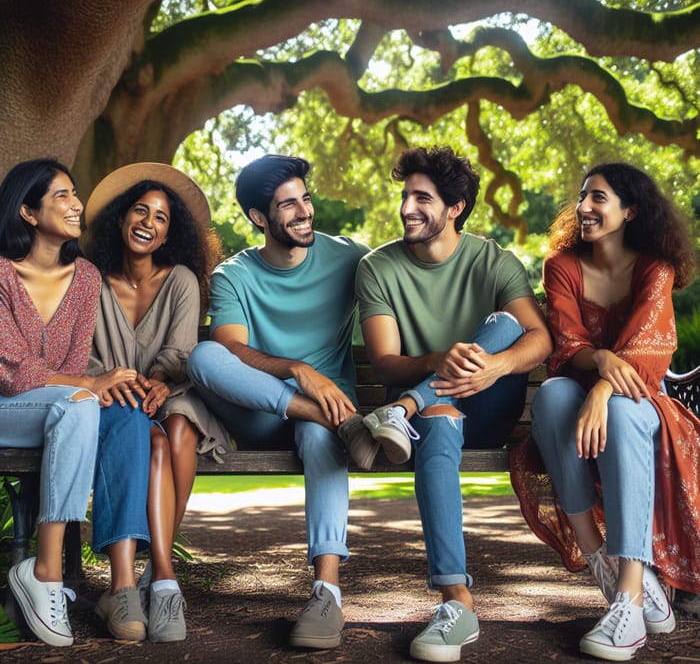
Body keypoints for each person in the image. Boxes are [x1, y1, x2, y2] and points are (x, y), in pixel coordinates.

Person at [354, 146, 552, 663]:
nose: (407, 208)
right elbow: (385, 364)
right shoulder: (378, 268)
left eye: (423, 198)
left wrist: (497, 365)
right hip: (435, 417)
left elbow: (539, 339)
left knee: (505, 325)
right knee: (441, 424)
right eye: (405, 197)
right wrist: (445, 358)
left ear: (455, 207)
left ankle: (406, 410)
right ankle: (456, 602)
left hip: (490, 405)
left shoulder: (494, 260)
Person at [510, 163, 700, 661]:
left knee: (616, 411)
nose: (584, 207)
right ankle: (604, 565)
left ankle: (632, 598)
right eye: (582, 197)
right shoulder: (563, 267)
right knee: (551, 395)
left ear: (629, 210)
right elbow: (566, 343)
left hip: (642, 404)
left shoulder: (655, 268)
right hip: (577, 395)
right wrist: (600, 365)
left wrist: (603, 389)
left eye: (599, 198)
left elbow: (646, 354)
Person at [186, 154, 370, 650]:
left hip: (327, 418)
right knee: (203, 354)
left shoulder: (349, 257)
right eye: (288, 205)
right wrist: (297, 371)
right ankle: (333, 419)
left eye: (304, 199)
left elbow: (410, 274)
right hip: (264, 413)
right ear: (259, 217)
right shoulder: (234, 275)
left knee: (318, 432)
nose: (304, 211)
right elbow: (229, 349)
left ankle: (327, 592)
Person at [81, 163, 228, 643]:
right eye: (140, 211)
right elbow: (89, 357)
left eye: (161, 218)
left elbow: (180, 355)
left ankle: (160, 577)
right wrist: (111, 381)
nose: (148, 222)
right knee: (157, 446)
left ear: (168, 234)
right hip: (113, 397)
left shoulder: (182, 279)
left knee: (180, 427)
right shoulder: (91, 282)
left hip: (173, 392)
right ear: (122, 221)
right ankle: (160, 577)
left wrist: (161, 381)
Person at [0, 158, 120, 646]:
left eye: (76, 193)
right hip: (5, 410)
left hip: (53, 411)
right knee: (81, 401)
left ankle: (45, 571)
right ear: (29, 212)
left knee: (81, 405)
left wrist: (87, 386)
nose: (77, 205)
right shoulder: (2, 275)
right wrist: (87, 384)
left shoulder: (86, 276)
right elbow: (8, 372)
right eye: (63, 196)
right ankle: (46, 572)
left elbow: (73, 365)